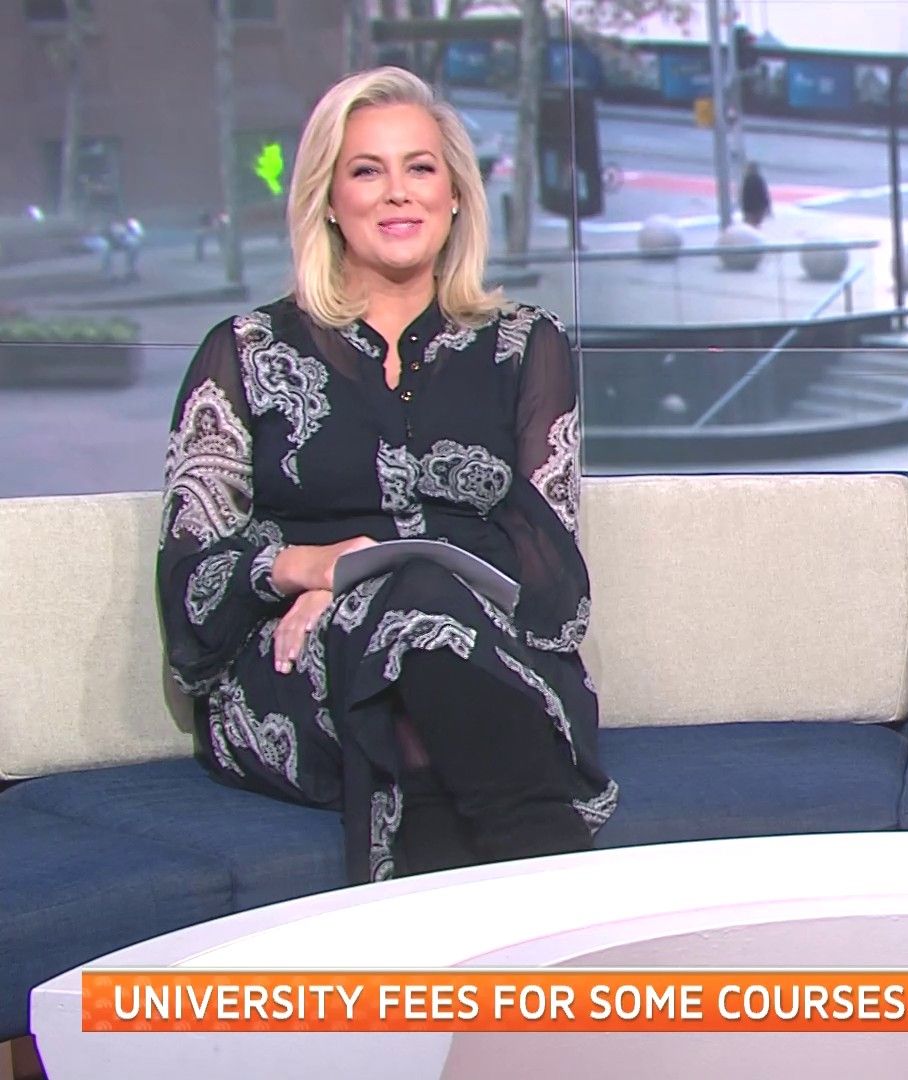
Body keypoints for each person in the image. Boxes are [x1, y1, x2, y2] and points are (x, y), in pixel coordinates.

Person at [156, 67, 618, 884]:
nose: (398, 192)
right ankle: (559, 909)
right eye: (367, 170)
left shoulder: (525, 346)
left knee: (422, 617)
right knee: (411, 647)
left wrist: (367, 580)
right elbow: (191, 586)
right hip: (298, 674)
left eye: (420, 168)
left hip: (491, 658)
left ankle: (446, 950)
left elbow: (552, 578)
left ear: (455, 195)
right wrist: (307, 570)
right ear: (330, 201)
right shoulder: (246, 352)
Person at [739, 161, 771, 228]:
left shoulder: (747, 180)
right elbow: (764, 194)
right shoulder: (759, 180)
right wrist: (767, 207)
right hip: (758, 208)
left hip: (749, 209)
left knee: (750, 226)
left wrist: (744, 210)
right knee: (755, 225)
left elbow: (744, 196)